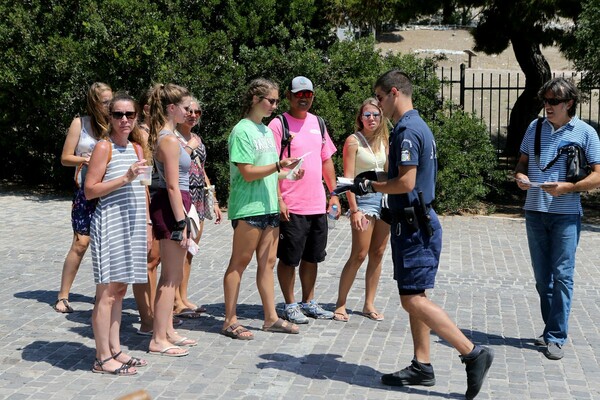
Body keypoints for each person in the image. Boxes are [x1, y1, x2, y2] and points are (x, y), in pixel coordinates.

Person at [350, 70, 493, 399]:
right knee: (415, 296)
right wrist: (373, 176)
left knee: (411, 299)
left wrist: (373, 185)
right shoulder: (413, 126)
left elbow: (406, 183)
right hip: (410, 222)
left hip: (415, 227)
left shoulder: (408, 130)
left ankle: (472, 353)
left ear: (395, 93)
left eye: (381, 97)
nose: (379, 104)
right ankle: (422, 365)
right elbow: (399, 175)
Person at [515, 77, 600, 360]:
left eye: (553, 102)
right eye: (545, 101)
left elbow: (597, 176)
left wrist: (569, 187)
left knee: (562, 276)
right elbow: (522, 163)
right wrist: (520, 177)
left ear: (569, 103)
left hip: (566, 216)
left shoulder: (586, 132)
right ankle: (551, 328)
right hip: (535, 212)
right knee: (543, 280)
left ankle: (556, 336)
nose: (547, 106)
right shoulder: (534, 127)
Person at [222, 78, 302, 340]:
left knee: (267, 264)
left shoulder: (267, 131)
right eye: (271, 100)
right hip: (248, 208)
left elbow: (268, 172)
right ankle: (229, 320)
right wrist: (279, 167)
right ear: (255, 99)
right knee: (239, 263)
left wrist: (287, 175)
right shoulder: (242, 131)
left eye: (277, 101)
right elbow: (247, 172)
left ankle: (271, 318)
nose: (275, 106)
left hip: (268, 207)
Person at [84, 92, 149, 375]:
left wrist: (147, 226)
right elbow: (90, 190)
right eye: (118, 115)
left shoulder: (136, 148)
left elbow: (143, 188)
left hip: (132, 224)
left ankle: (115, 349)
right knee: (107, 293)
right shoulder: (103, 147)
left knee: (121, 290)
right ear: (109, 118)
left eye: (129, 115)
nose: (124, 120)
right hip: (110, 223)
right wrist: (125, 178)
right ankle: (101, 357)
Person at [268, 76, 340, 324]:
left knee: (313, 257)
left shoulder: (318, 123)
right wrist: (279, 198)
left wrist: (334, 194)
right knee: (289, 258)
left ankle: (308, 301)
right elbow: (270, 165)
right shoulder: (278, 125)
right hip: (291, 204)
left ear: (313, 96)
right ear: (289, 96)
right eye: (299, 94)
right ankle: (289, 304)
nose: (303, 98)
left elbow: (326, 160)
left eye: (308, 94)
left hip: (316, 204)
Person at [147, 83, 197, 356]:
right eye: (185, 106)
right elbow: (171, 185)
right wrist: (181, 222)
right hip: (171, 206)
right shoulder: (166, 139)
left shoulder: (173, 137)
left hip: (178, 203)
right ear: (171, 108)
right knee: (169, 277)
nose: (189, 111)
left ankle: (166, 330)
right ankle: (157, 339)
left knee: (174, 275)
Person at [55, 82, 112, 313]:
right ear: (94, 102)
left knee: (108, 244)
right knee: (81, 242)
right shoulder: (81, 123)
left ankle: (104, 295)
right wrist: (85, 160)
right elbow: (65, 158)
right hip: (85, 191)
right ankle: (63, 296)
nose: (109, 106)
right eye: (105, 102)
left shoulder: (116, 123)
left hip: (110, 190)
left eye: (111, 100)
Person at [334, 98, 390, 322]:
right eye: (367, 115)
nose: (371, 119)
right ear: (360, 118)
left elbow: (390, 172)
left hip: (384, 199)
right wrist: (354, 209)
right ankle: (341, 304)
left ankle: (369, 304)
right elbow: (347, 179)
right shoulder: (353, 141)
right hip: (363, 201)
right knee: (359, 253)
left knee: (378, 253)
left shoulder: (385, 140)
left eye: (375, 115)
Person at [173, 97, 222, 318]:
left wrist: (214, 199)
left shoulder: (197, 138)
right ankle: (174, 300)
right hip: (181, 195)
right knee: (178, 250)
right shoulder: (171, 137)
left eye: (198, 112)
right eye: (189, 111)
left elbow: (202, 169)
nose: (193, 115)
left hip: (198, 196)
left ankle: (183, 296)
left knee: (190, 250)